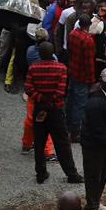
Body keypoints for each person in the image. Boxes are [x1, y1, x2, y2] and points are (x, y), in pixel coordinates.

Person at [26, 41, 80, 184]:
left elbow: (28, 89)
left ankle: (41, 173)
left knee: (39, 143)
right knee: (62, 143)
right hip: (56, 110)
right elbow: (61, 91)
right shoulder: (61, 68)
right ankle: (72, 174)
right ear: (53, 53)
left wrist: (41, 99)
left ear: (40, 54)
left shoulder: (33, 68)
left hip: (40, 110)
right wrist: (50, 102)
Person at [80, 68, 106, 210]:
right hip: (93, 145)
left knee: (102, 175)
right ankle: (91, 208)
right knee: (93, 176)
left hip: (104, 143)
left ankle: (95, 201)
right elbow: (97, 128)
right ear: (101, 81)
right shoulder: (95, 101)